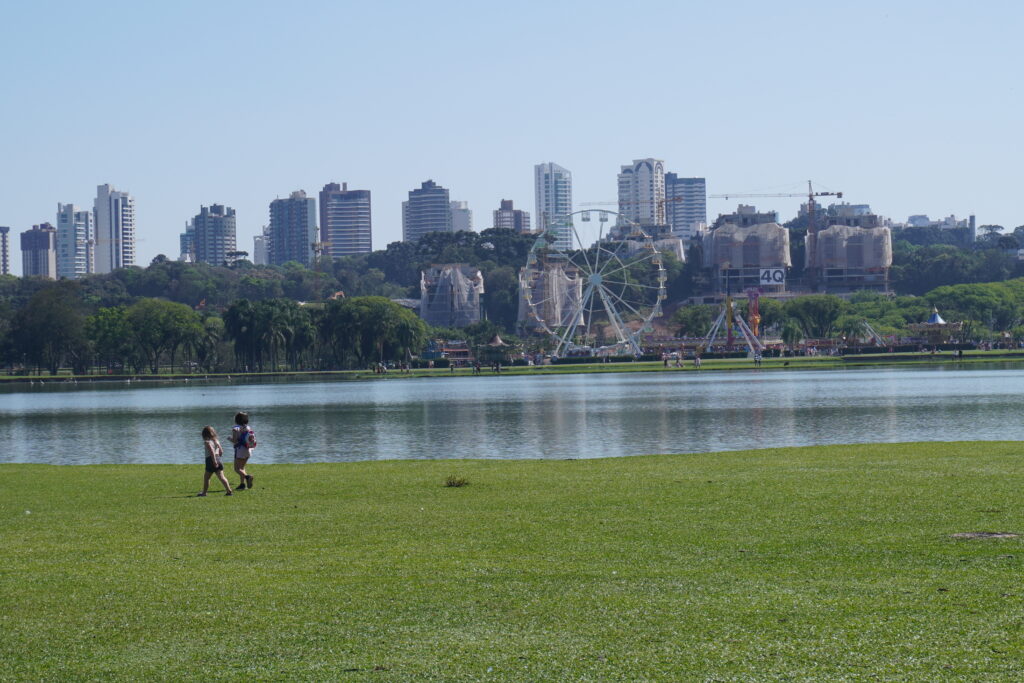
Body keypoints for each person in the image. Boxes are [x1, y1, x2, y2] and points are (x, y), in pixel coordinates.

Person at [198, 426, 232, 497]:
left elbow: (211, 451)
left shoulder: (207, 442)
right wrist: (218, 458)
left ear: (204, 434)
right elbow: (221, 451)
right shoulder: (216, 441)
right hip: (218, 459)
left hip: (211, 460)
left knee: (207, 478)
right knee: (222, 477)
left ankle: (204, 493)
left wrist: (214, 461)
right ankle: (229, 490)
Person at [231, 411, 255, 490]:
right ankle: (242, 484)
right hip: (248, 449)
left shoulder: (235, 428)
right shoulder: (248, 428)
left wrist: (229, 438)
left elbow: (235, 441)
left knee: (237, 469)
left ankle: (247, 477)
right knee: (242, 467)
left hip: (240, 450)